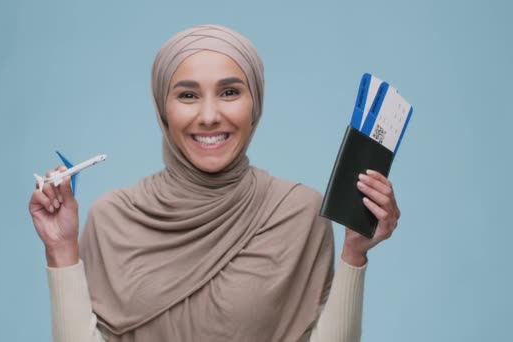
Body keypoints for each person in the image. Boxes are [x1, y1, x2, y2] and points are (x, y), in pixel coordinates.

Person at [29, 24, 401, 342]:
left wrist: (355, 253)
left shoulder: (300, 212)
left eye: (230, 92)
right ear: (163, 109)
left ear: (255, 106)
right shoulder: (111, 218)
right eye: (188, 95)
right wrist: (61, 250)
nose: (209, 116)